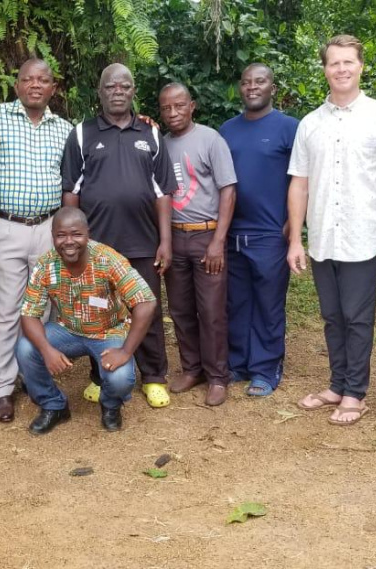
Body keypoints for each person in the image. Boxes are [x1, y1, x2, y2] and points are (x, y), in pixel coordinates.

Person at [286, 35, 376, 425]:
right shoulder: (310, 124)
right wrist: (295, 240)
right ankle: (337, 384)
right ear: (324, 69)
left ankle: (355, 393)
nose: (341, 69)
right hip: (323, 237)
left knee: (357, 317)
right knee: (332, 316)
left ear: (361, 66)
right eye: (334, 63)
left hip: (364, 235)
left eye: (348, 62)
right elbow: (299, 183)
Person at [61, 63, 175, 409]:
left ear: (132, 91)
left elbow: (163, 193)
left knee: (147, 309)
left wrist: (166, 240)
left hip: (143, 242)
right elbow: (71, 193)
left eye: (124, 86)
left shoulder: (150, 134)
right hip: (96, 247)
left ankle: (154, 377)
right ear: (100, 92)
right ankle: (99, 374)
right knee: (99, 312)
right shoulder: (82, 134)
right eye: (111, 86)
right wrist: (74, 243)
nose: (118, 91)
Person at [0, 59, 73, 423]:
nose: (35, 85)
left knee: (41, 308)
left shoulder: (64, 128)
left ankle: (32, 376)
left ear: (53, 88)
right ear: (16, 86)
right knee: (6, 311)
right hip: (7, 226)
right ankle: (1, 387)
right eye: (28, 79)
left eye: (43, 80)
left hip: (48, 229)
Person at [15, 207, 157, 433]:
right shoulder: (46, 265)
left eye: (76, 234)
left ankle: (110, 405)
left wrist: (125, 351)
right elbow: (29, 314)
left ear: (87, 233)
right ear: (53, 236)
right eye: (61, 235)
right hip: (67, 330)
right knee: (25, 347)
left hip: (108, 333)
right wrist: (47, 350)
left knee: (120, 377)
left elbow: (146, 302)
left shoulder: (107, 259)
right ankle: (54, 406)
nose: (68, 241)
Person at [218, 63, 300, 398]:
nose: (253, 87)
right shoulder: (227, 130)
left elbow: (303, 180)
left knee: (268, 304)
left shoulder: (288, 128)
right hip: (233, 233)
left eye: (260, 81)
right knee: (237, 303)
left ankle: (266, 369)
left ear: (272, 88)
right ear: (240, 87)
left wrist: (294, 225)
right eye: (247, 81)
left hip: (271, 235)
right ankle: (239, 362)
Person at [158, 83, 238, 406]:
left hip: (207, 236)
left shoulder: (211, 139)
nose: (173, 113)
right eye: (166, 108)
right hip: (174, 237)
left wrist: (218, 241)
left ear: (192, 106)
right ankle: (192, 369)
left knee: (211, 310)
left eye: (179, 106)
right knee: (179, 308)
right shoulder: (161, 145)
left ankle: (218, 376)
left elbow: (228, 190)